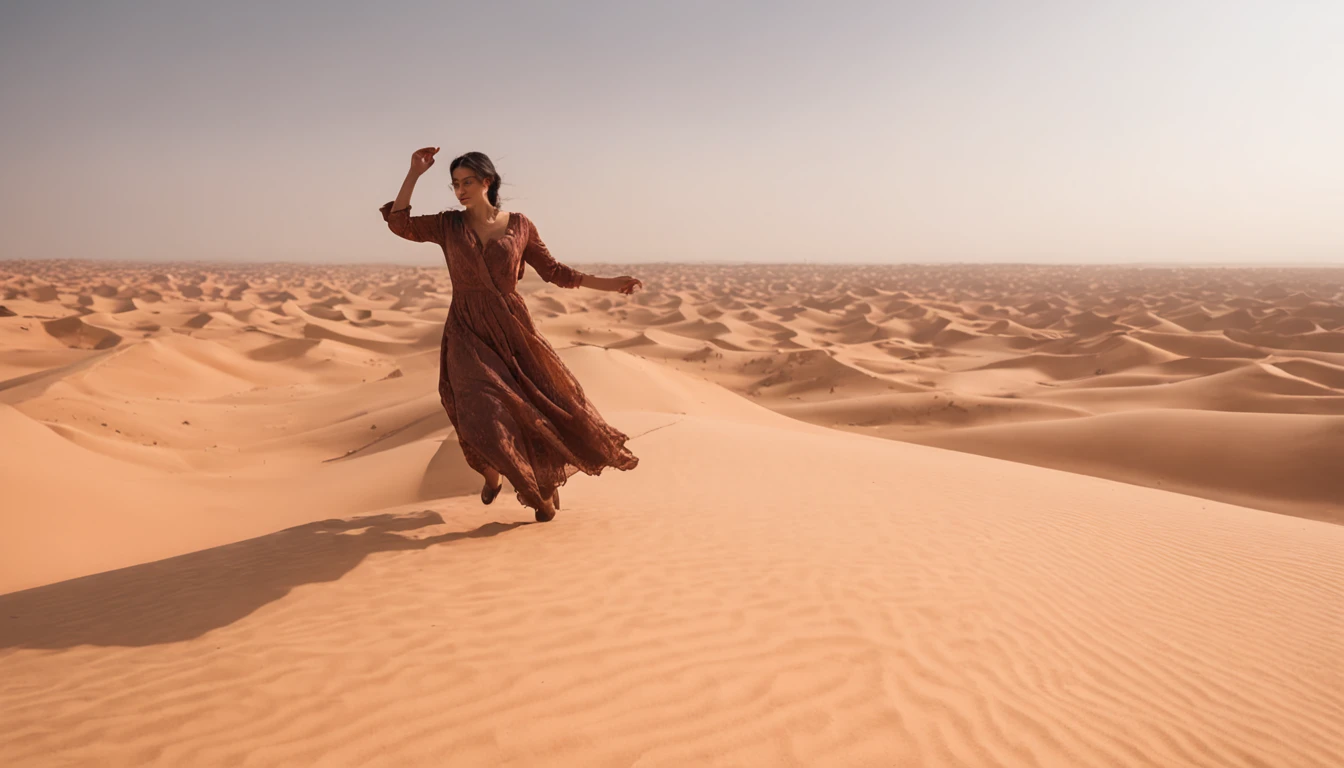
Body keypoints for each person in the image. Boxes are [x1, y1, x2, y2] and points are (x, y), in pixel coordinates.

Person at [379, 148, 642, 522]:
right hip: (467, 330)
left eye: (467, 182)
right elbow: (399, 223)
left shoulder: (520, 226)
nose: (460, 190)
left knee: (536, 408)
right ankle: (494, 475)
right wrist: (414, 173)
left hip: (513, 330)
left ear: (488, 181)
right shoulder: (447, 225)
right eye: (455, 184)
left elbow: (554, 272)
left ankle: (540, 489)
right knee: (478, 414)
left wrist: (610, 284)